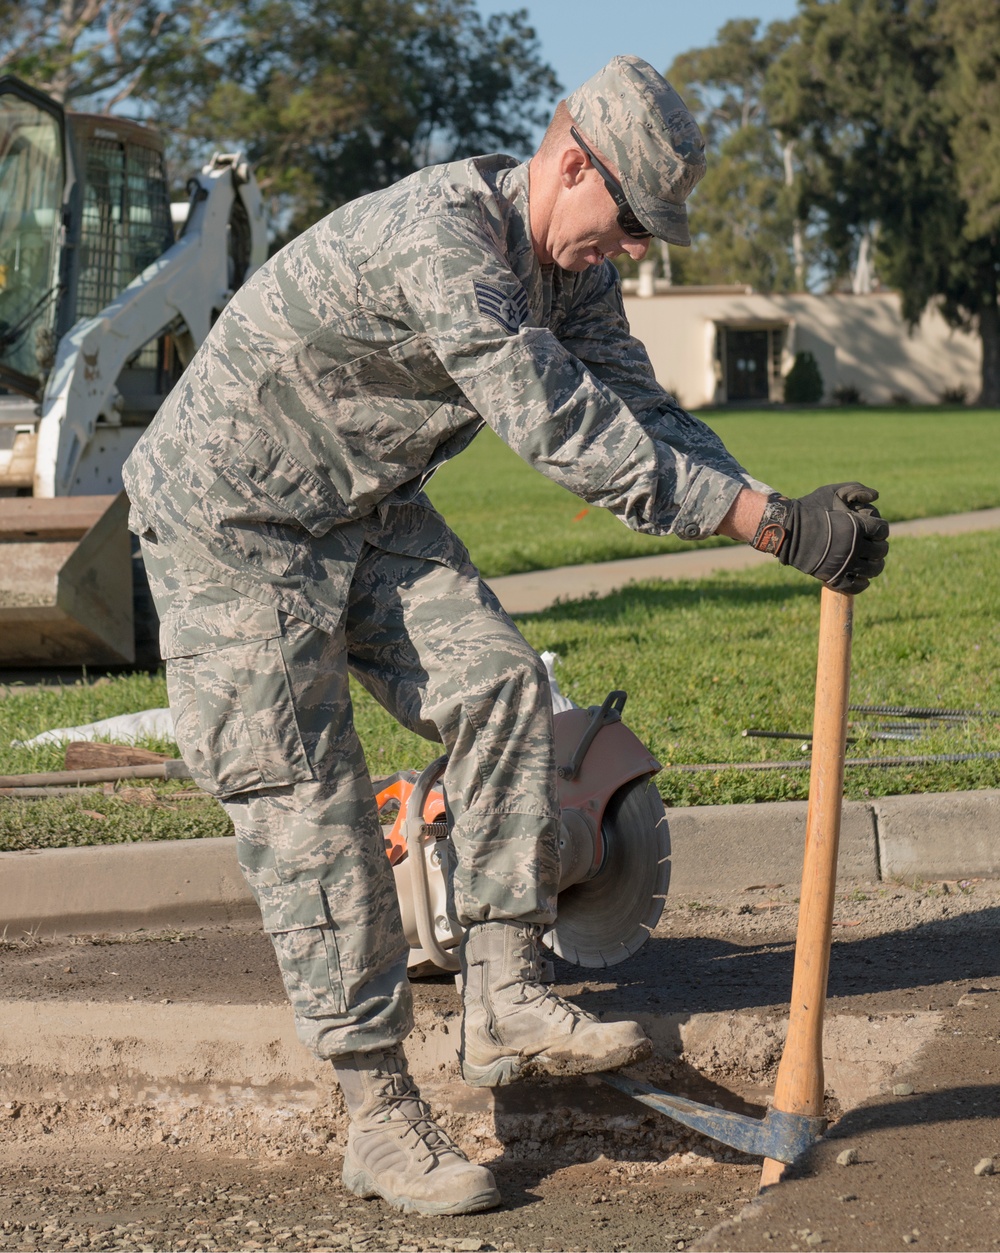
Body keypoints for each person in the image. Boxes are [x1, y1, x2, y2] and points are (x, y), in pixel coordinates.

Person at [123, 55, 888, 1216]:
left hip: (359, 503)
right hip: (233, 518)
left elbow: (637, 400)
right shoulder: (448, 238)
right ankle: (377, 1120)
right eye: (627, 220)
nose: (631, 249)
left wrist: (785, 510)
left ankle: (503, 992)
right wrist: (765, 527)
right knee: (310, 807)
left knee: (495, 683)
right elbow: (560, 425)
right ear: (569, 162)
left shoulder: (562, 265)